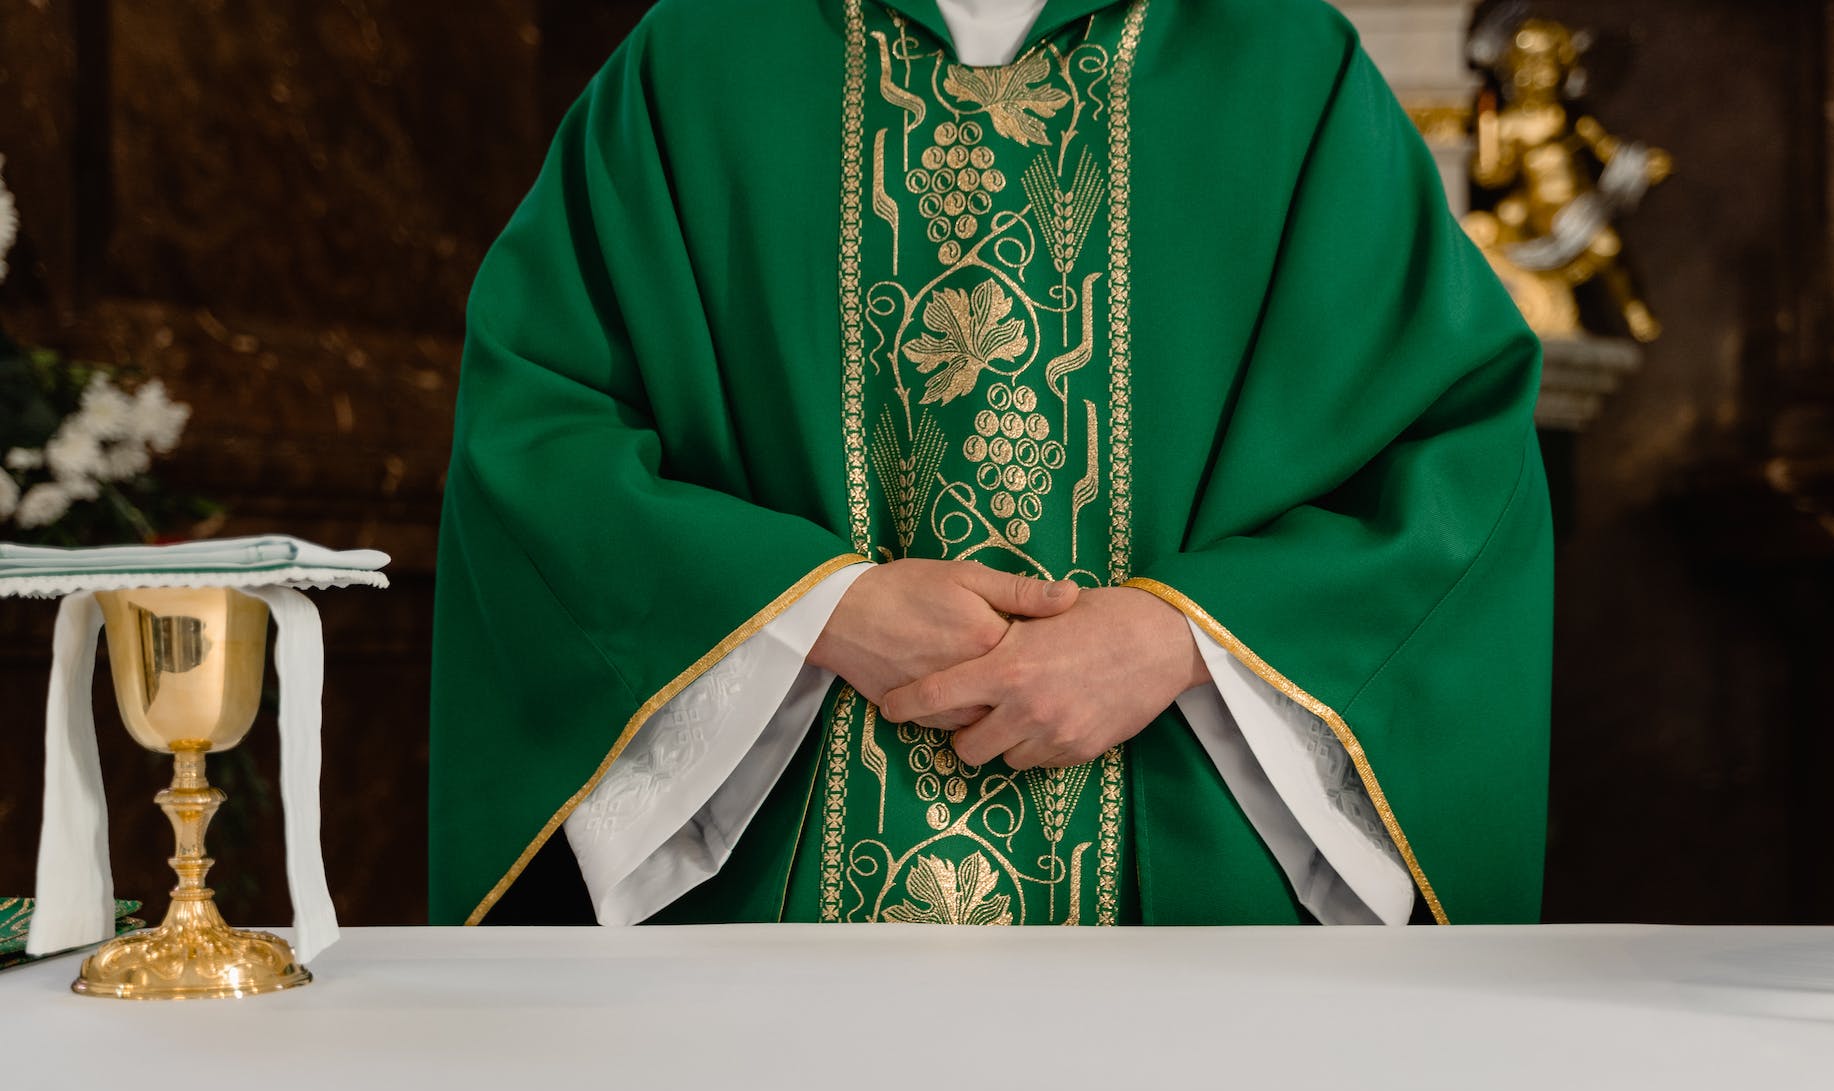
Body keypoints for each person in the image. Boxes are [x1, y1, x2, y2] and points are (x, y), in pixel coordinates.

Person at [428, 0, 1553, 929]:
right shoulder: (703, 53)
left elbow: (1452, 450)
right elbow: (541, 427)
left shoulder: (1282, 62)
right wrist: (819, 606)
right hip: (775, 900)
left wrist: (1176, 636)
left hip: (1187, 892)